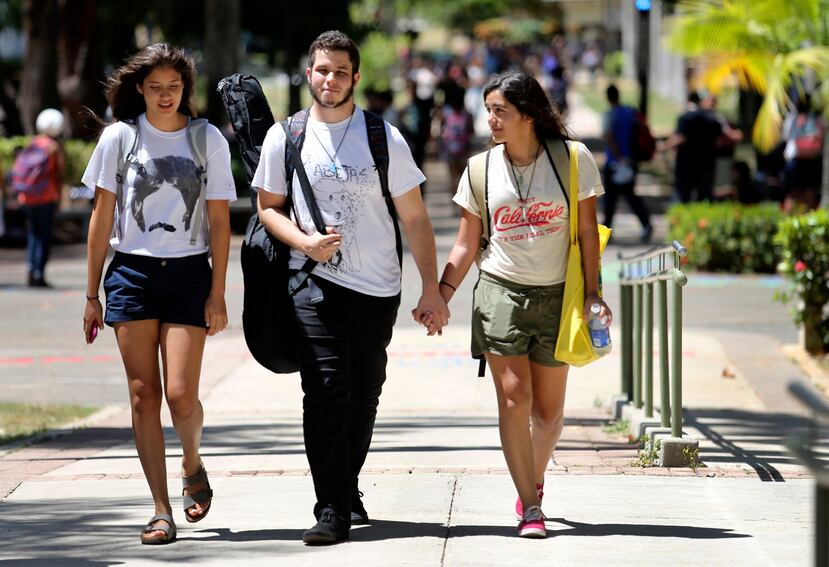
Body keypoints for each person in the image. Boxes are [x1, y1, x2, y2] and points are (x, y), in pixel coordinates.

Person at [252, 30, 449, 545]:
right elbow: (268, 206)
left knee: (363, 394)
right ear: (309, 73)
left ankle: (346, 482)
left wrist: (432, 289)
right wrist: (304, 240)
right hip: (311, 283)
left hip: (377, 288)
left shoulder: (384, 136)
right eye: (322, 69)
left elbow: (415, 217)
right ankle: (331, 508)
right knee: (323, 391)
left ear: (355, 77)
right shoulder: (285, 135)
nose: (330, 79)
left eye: (340, 71)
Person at [432, 71, 610, 539]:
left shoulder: (573, 160)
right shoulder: (479, 169)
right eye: (487, 109)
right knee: (515, 399)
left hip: (558, 295)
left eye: (499, 111)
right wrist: (441, 293)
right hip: (501, 293)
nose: (489, 119)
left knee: (549, 416)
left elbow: (588, 232)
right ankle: (530, 507)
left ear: (527, 115)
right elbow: (466, 243)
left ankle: (532, 478)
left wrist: (594, 293)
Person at [81, 43, 237, 545]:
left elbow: (218, 219)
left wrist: (218, 292)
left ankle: (192, 462)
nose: (165, 96)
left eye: (173, 87)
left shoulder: (206, 138)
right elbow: (102, 216)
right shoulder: (119, 139)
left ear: (184, 90)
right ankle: (160, 509)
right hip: (130, 274)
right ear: (139, 90)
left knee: (181, 394)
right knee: (143, 395)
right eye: (155, 88)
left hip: (190, 274)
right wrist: (91, 294)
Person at [14, 108, 65, 287]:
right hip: (46, 197)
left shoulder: (32, 143)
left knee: (32, 234)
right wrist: (59, 198)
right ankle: (39, 273)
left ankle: (31, 269)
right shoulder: (53, 147)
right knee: (43, 236)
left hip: (27, 197)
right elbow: (59, 174)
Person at [659, 91, 739, 202]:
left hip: (686, 164)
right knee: (704, 198)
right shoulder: (715, 119)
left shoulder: (686, 117)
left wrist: (664, 147)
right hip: (707, 164)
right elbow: (729, 137)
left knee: (682, 196)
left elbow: (680, 138)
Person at [602, 85, 652, 241]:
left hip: (614, 162)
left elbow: (608, 136)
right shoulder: (630, 112)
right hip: (631, 160)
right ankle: (646, 224)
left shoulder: (609, 115)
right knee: (630, 195)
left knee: (610, 198)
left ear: (608, 97)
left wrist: (618, 157)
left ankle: (607, 230)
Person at [781, 96, 824, 211]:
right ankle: (808, 220)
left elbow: (786, 136)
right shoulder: (818, 119)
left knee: (793, 193)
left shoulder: (793, 118)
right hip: (813, 161)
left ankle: (790, 221)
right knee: (810, 192)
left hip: (796, 160)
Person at [438, 85, 475, 211]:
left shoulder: (445, 113)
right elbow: (471, 131)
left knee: (452, 176)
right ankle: (461, 204)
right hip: (464, 149)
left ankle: (454, 202)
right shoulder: (467, 113)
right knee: (462, 177)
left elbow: (441, 131)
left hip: (449, 150)